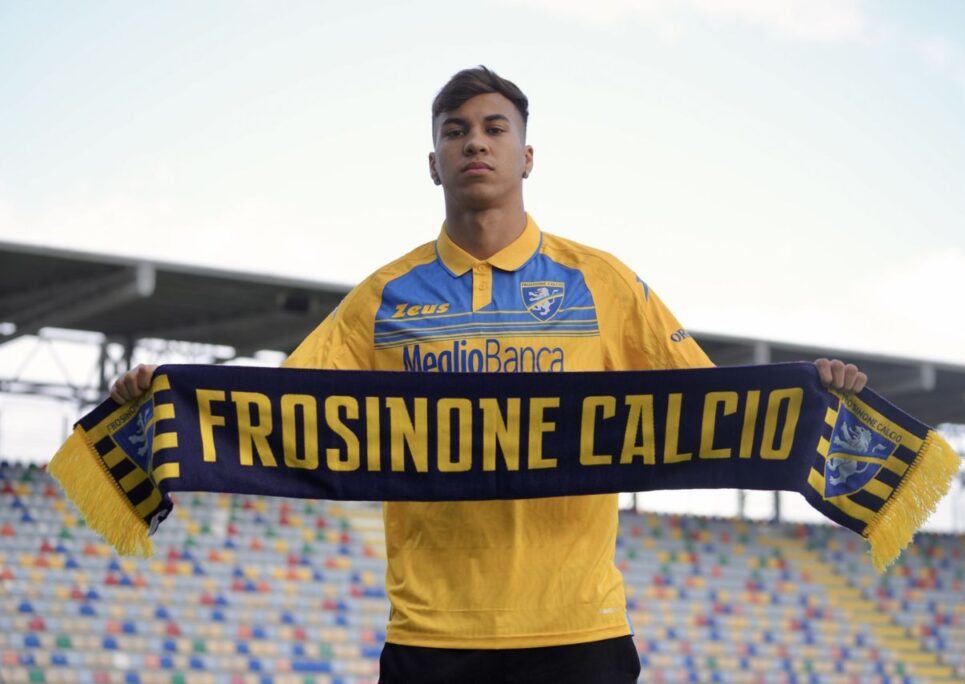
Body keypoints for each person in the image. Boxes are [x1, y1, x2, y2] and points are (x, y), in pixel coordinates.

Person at [111, 67, 868, 684]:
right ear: (432, 162)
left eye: (494, 128)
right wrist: (161, 400)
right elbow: (276, 409)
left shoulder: (604, 283)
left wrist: (814, 393)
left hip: (580, 631)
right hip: (431, 636)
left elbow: (713, 404)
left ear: (527, 156)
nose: (474, 141)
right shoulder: (382, 297)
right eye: (455, 131)